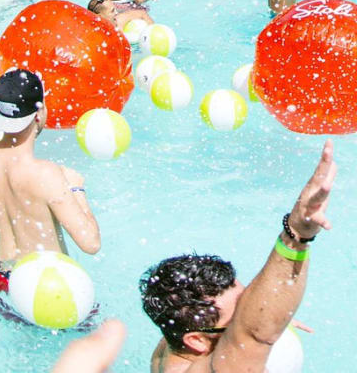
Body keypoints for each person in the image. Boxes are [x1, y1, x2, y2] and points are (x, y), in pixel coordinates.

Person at [139, 141, 335, 373]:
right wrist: (297, 233)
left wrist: (271, 312)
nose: (250, 311)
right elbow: (251, 335)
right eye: (241, 315)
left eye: (246, 303)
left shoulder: (176, 335)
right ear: (197, 341)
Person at [0, 69, 102, 300]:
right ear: (39, 113)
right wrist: (77, 189)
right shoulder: (46, 174)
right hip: (46, 290)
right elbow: (91, 243)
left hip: (1, 277)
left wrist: (10, 205)